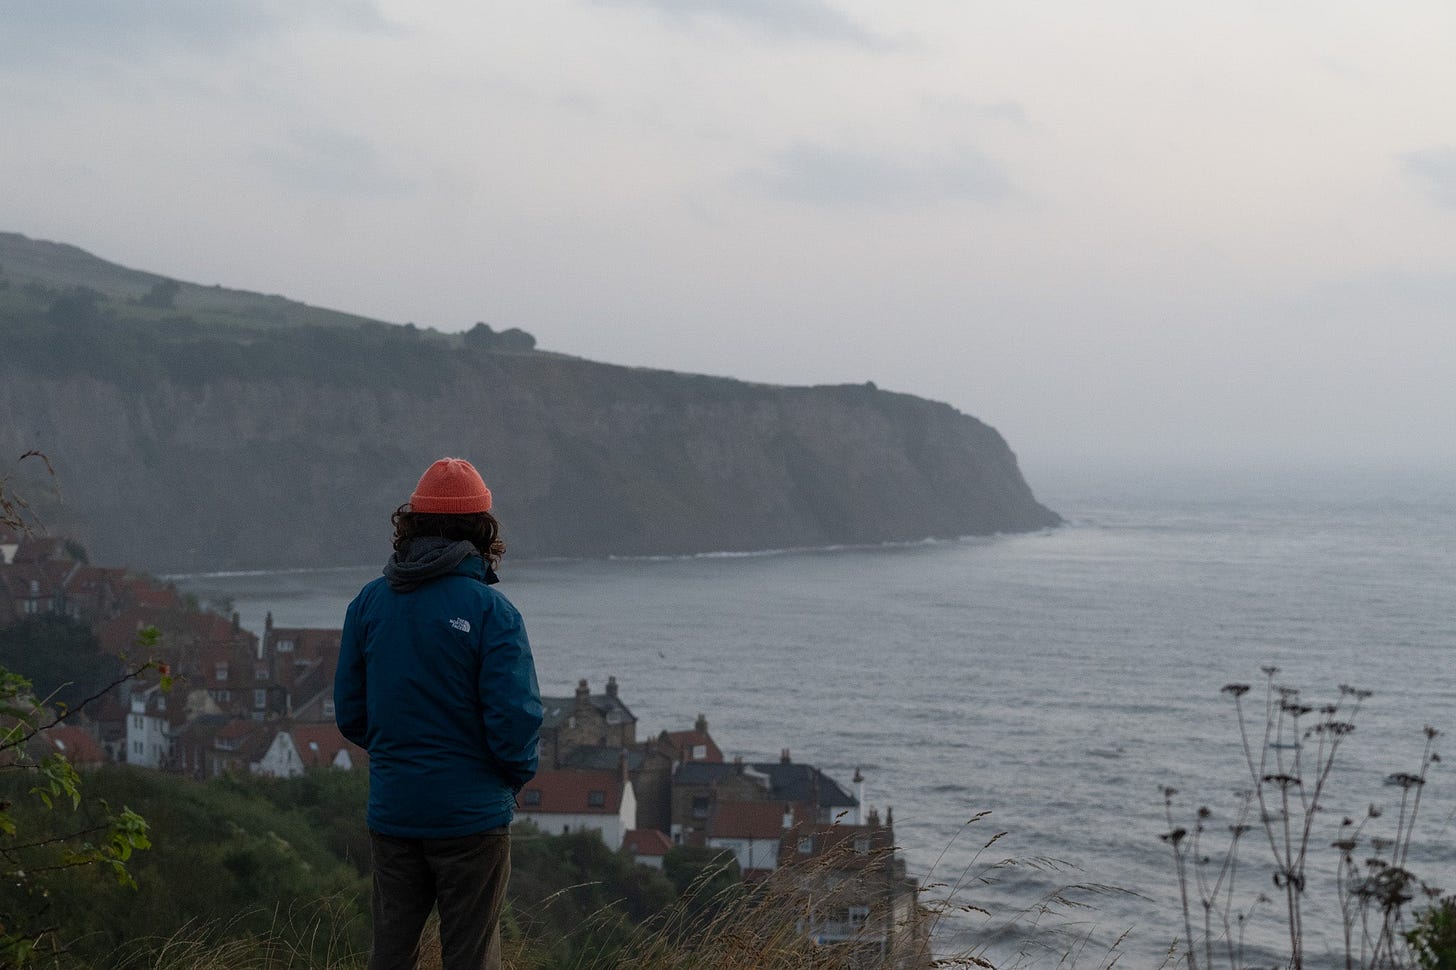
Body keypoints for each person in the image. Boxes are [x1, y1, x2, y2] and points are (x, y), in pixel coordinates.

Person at [335, 457, 542, 970]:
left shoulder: (368, 604)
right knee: (471, 957)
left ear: (413, 523)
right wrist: (504, 781)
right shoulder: (493, 613)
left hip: (395, 810)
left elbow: (351, 713)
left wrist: (396, 756)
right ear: (481, 530)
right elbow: (515, 721)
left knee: (391, 955)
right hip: (472, 818)